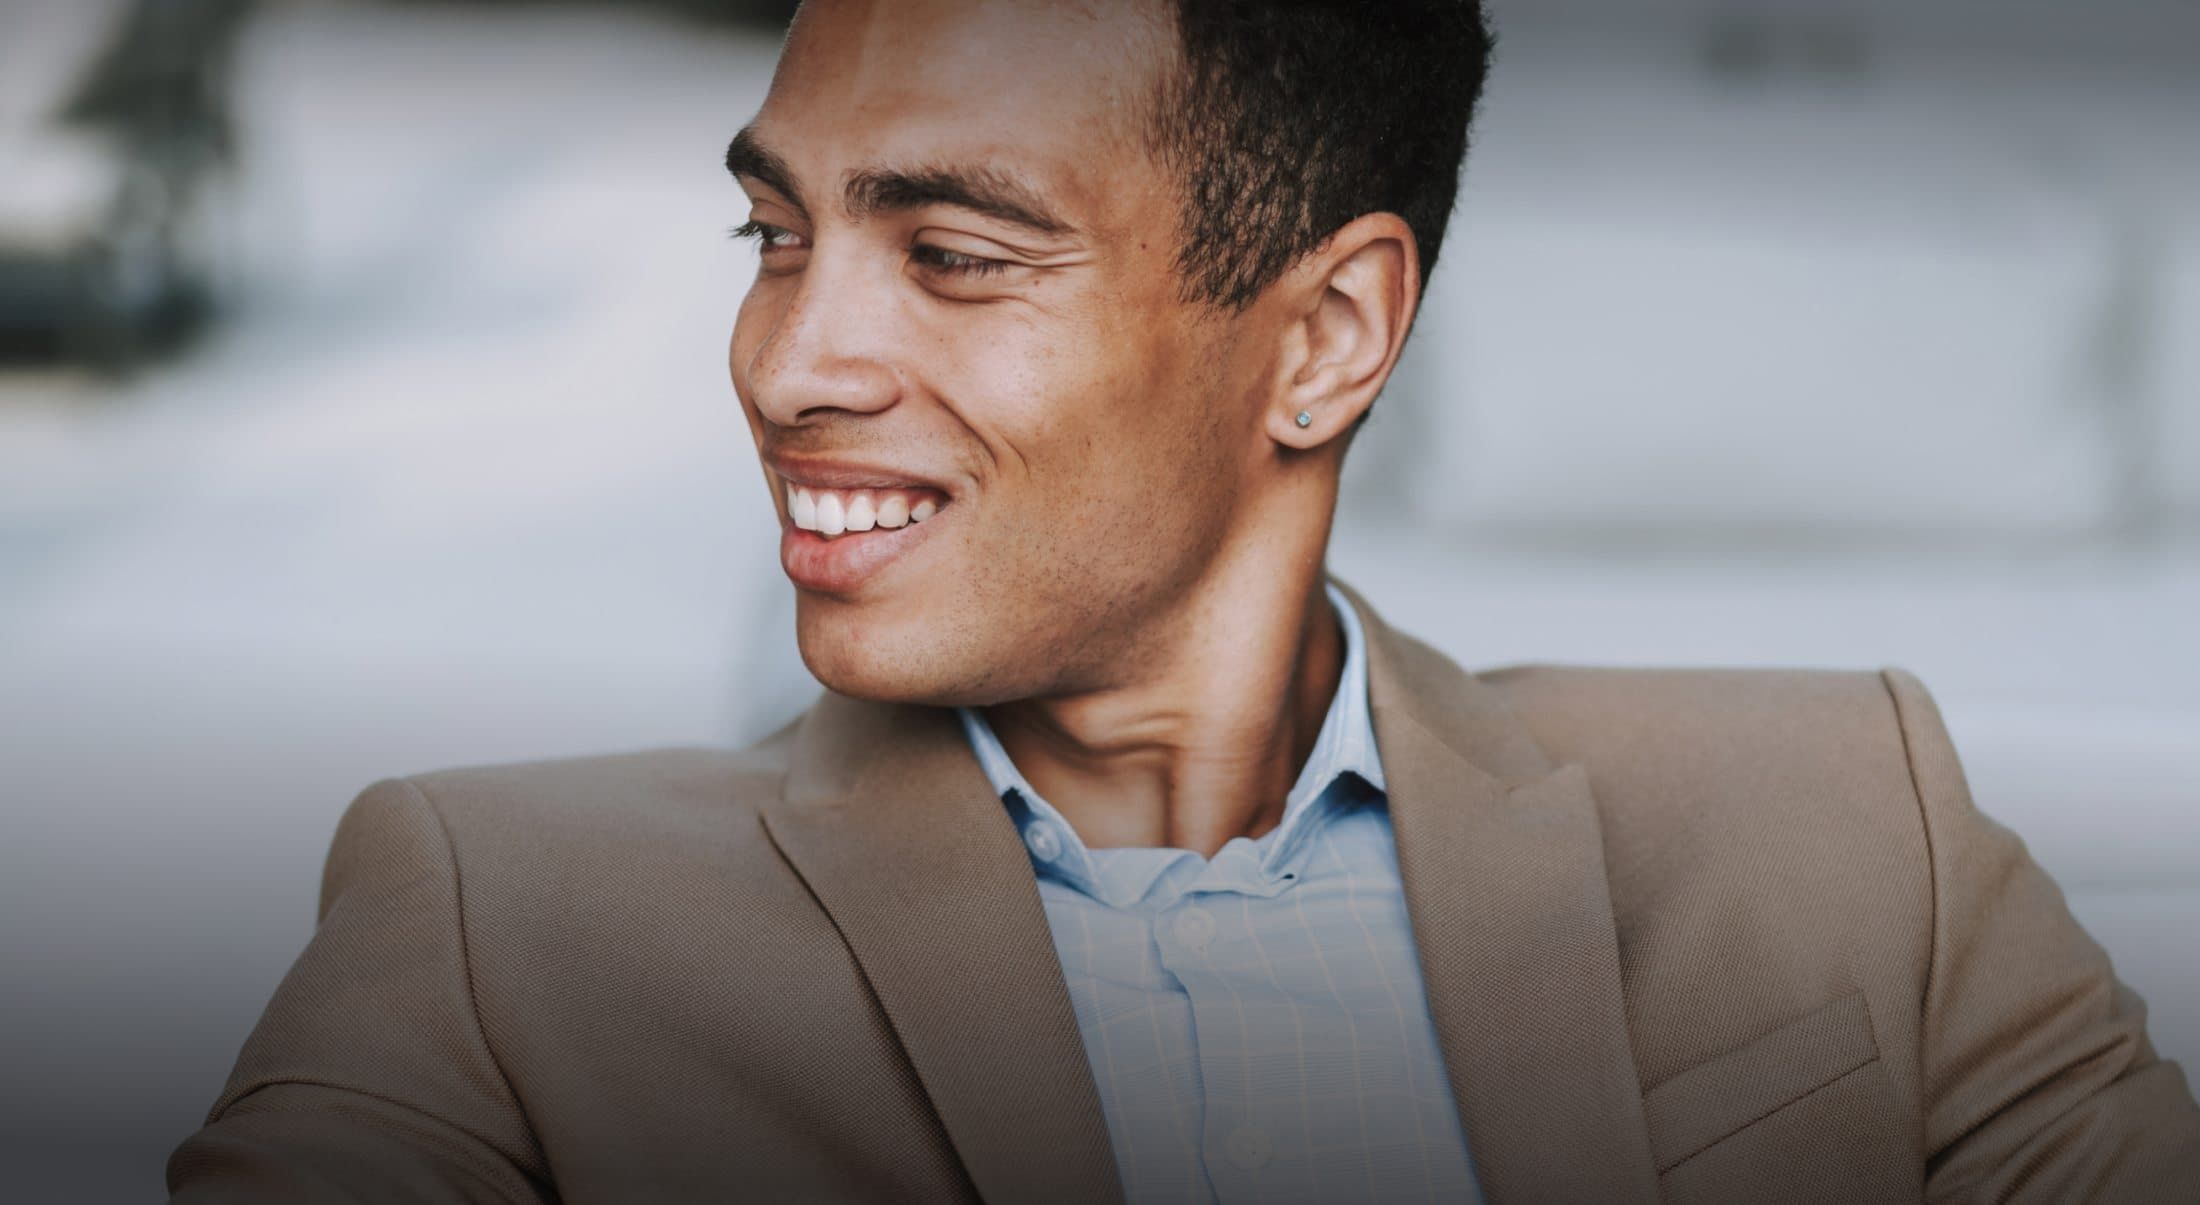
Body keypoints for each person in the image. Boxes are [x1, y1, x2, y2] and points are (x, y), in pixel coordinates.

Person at [168, 0, 2200, 1201]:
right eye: (769, 230)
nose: (785, 364)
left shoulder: (1852, 822)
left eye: (954, 254)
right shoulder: (499, 919)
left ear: (1322, 339)